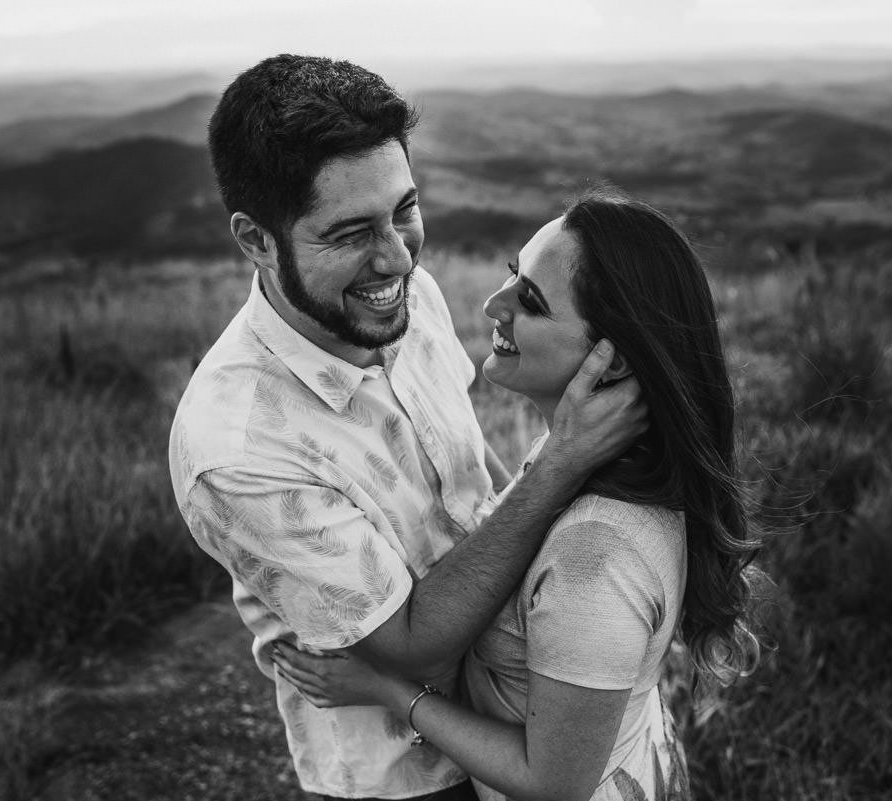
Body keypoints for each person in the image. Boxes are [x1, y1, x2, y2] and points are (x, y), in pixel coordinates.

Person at [168, 55, 646, 800]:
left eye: (404, 209)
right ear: (257, 240)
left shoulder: (403, 296)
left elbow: (472, 473)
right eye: (351, 232)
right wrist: (561, 461)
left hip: (518, 705)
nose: (396, 257)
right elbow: (411, 647)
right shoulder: (236, 447)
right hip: (409, 776)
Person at [272, 189, 767, 801]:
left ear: (609, 363)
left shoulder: (598, 556)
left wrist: (389, 692)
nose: (492, 304)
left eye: (530, 301)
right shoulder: (577, 455)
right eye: (514, 276)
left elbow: (554, 782)